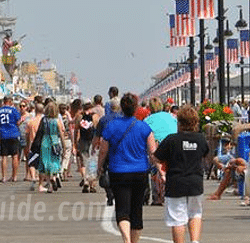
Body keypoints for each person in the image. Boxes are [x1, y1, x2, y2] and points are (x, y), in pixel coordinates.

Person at [98, 93, 158, 243]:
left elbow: (103, 150)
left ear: (121, 109)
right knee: (137, 210)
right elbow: (153, 152)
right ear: (136, 108)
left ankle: (126, 240)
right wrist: (159, 170)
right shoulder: (144, 126)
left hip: (118, 172)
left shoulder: (112, 126)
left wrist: (99, 166)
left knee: (123, 210)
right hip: (140, 172)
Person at [154, 106, 209, 243]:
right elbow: (205, 155)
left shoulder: (171, 139)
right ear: (195, 123)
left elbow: (157, 158)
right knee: (195, 213)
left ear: (179, 122)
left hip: (175, 183)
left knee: (177, 219)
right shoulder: (200, 139)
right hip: (195, 182)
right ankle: (195, 241)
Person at [144, 97, 177, 206]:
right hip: (172, 146)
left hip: (157, 147)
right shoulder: (171, 117)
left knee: (154, 169)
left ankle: (157, 197)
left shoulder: (148, 120)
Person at [36, 103, 65, 193]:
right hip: (55, 141)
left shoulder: (43, 120)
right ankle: (54, 177)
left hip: (45, 141)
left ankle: (49, 186)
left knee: (46, 163)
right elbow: (61, 134)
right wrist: (64, 146)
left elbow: (39, 132)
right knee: (55, 161)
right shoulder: (57, 121)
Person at [0, 96, 21, 183]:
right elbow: (18, 122)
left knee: (4, 156)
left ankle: (4, 177)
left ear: (4, 102)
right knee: (15, 156)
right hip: (13, 134)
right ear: (10, 102)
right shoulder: (13, 110)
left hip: (3, 134)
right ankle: (14, 176)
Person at [74, 101, 100, 193]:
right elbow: (98, 131)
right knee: (92, 162)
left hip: (82, 141)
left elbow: (76, 130)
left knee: (84, 162)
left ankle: (85, 180)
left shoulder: (79, 116)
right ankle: (92, 184)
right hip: (93, 141)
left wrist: (75, 143)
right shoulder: (95, 117)